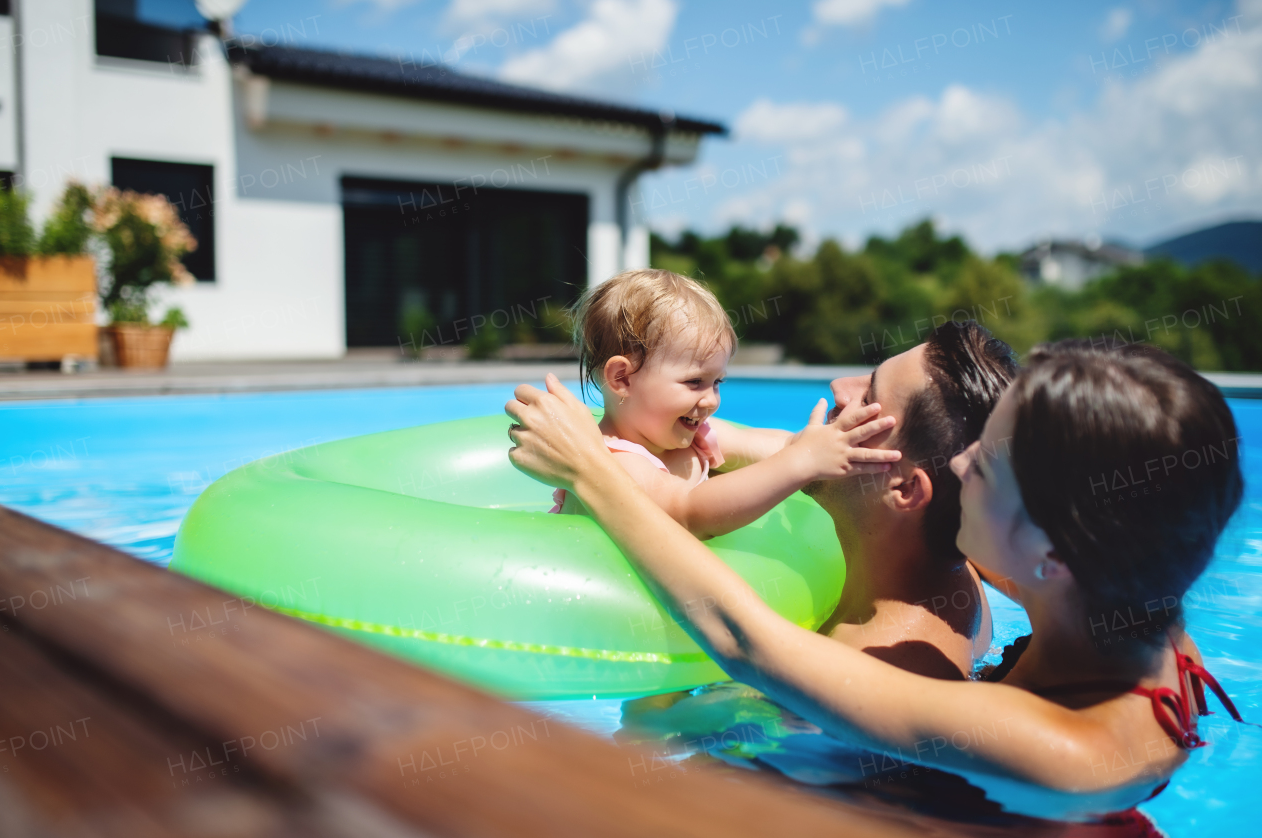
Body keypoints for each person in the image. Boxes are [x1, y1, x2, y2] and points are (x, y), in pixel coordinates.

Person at [506, 340, 1247, 820]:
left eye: (984, 467)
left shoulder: (1067, 755)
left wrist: (592, 473)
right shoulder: (1120, 580)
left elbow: (744, 640)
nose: (962, 468)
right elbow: (842, 466)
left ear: (1047, 548)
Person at [708, 321, 1018, 679]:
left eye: (868, 399)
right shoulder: (956, 561)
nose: (839, 387)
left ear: (904, 490)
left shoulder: (865, 671)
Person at [550, 268, 901, 540]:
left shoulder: (696, 435)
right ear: (622, 379)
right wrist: (802, 462)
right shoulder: (615, 464)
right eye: (694, 382)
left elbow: (774, 445)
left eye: (717, 382)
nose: (712, 400)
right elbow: (689, 512)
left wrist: (830, 442)